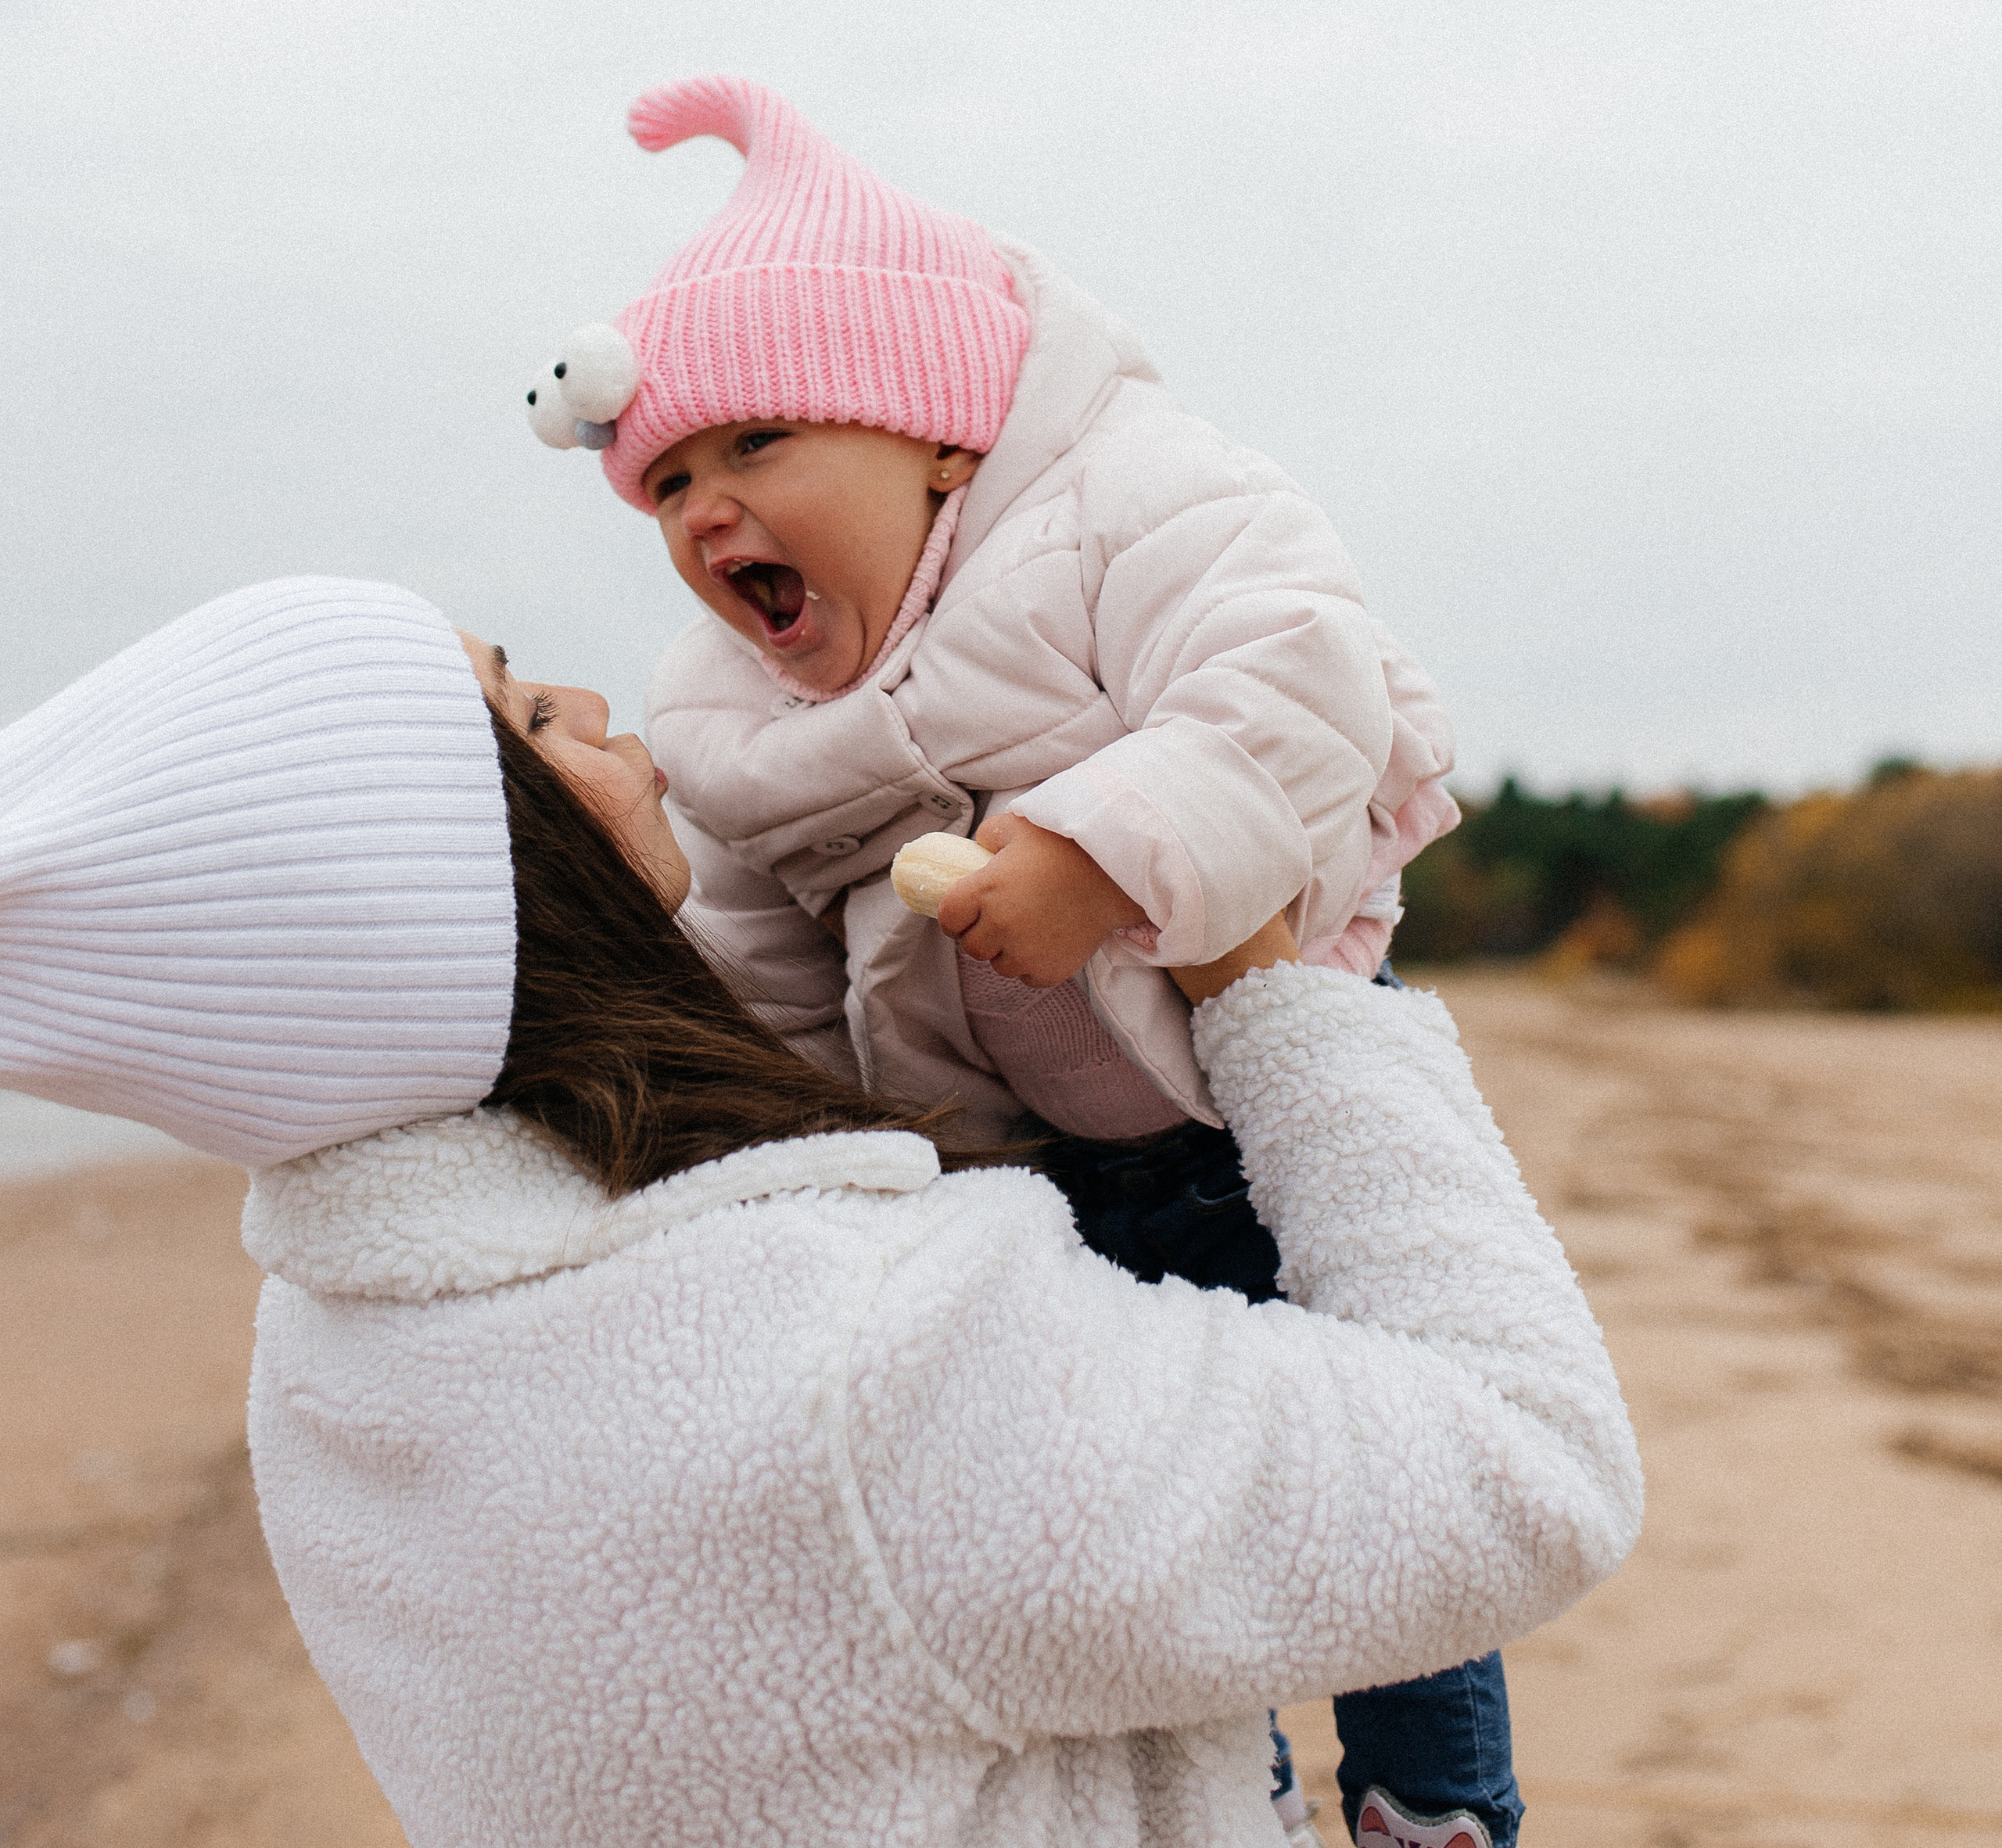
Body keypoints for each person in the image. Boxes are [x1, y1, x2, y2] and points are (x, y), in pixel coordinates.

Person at [0, 576, 1641, 1848]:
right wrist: (1265, 994)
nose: (578, 694)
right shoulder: (842, 1370)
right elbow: (1524, 1457)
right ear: (442, 881)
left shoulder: (334, 1356)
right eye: (514, 708)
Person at [520, 74, 1509, 1843]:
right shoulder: (723, 706)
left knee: (1371, 1455)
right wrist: (780, 1145)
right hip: (1030, 1164)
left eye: (756, 445)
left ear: (939, 440)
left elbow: (1296, 682)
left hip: (1246, 1084)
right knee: (1171, 1502)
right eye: (665, 477)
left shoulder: (1135, 503)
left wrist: (1091, 850)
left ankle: (1432, 1798)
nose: (705, 508)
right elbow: (756, 942)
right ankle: (1244, 1792)